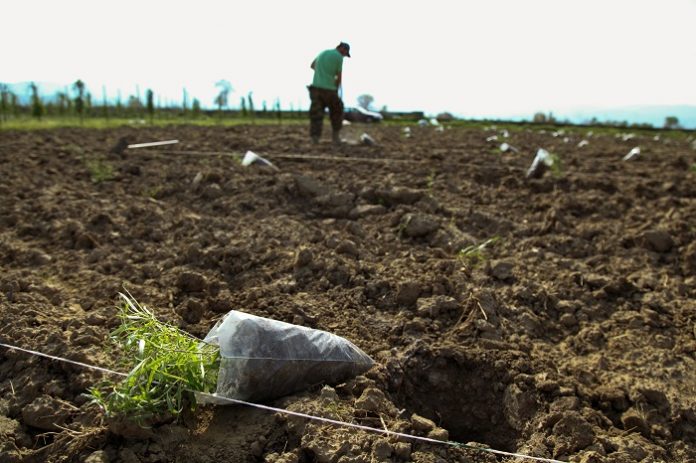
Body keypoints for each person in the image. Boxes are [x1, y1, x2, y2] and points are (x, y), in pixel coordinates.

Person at [308, 42, 351, 145]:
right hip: (329, 90)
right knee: (337, 110)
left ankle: (315, 139)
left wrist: (322, 73)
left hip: (315, 88)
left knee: (316, 114)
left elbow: (312, 66)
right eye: (345, 54)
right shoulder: (338, 57)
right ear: (343, 49)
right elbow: (339, 76)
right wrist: (336, 88)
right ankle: (335, 138)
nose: (344, 56)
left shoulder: (323, 52)